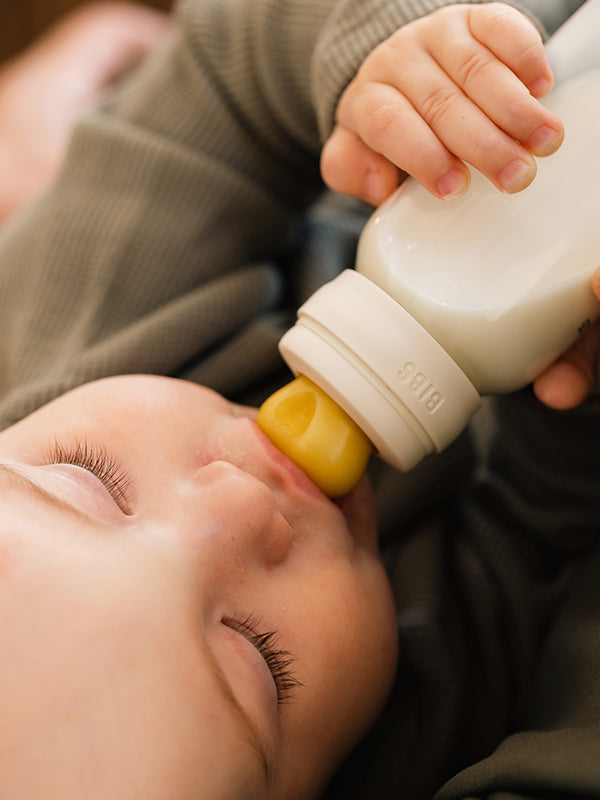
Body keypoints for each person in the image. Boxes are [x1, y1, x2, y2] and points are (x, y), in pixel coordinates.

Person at [0, 1, 598, 799]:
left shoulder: (82, 328)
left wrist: (389, 79)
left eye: (89, 481)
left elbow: (223, 78)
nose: (239, 502)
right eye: (256, 656)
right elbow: (543, 524)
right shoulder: (411, 718)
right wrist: (575, 379)